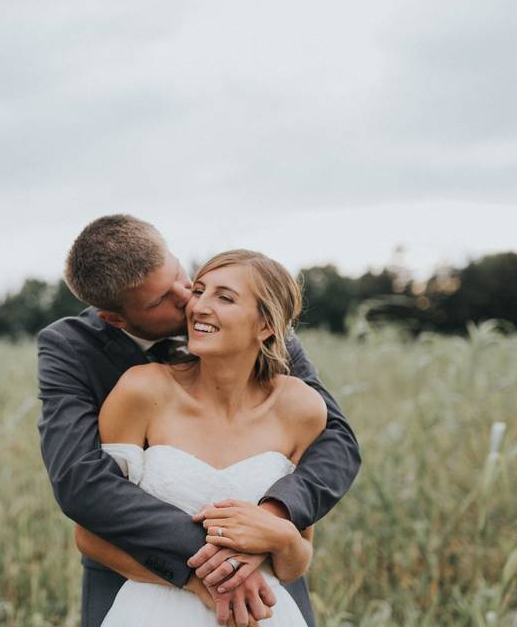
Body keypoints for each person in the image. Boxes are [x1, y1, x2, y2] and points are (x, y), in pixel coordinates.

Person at [37, 215, 360, 626]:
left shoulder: (261, 331)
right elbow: (81, 482)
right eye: (160, 301)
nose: (190, 299)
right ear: (116, 318)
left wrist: (271, 522)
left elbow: (337, 441)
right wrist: (211, 565)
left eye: (181, 275)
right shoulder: (74, 350)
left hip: (262, 596)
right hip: (141, 582)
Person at [78, 249, 323, 626]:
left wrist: (280, 536)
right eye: (200, 291)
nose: (198, 307)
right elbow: (90, 536)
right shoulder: (142, 391)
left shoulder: (302, 408)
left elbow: (296, 562)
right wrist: (195, 581)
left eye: (224, 298)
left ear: (265, 326)